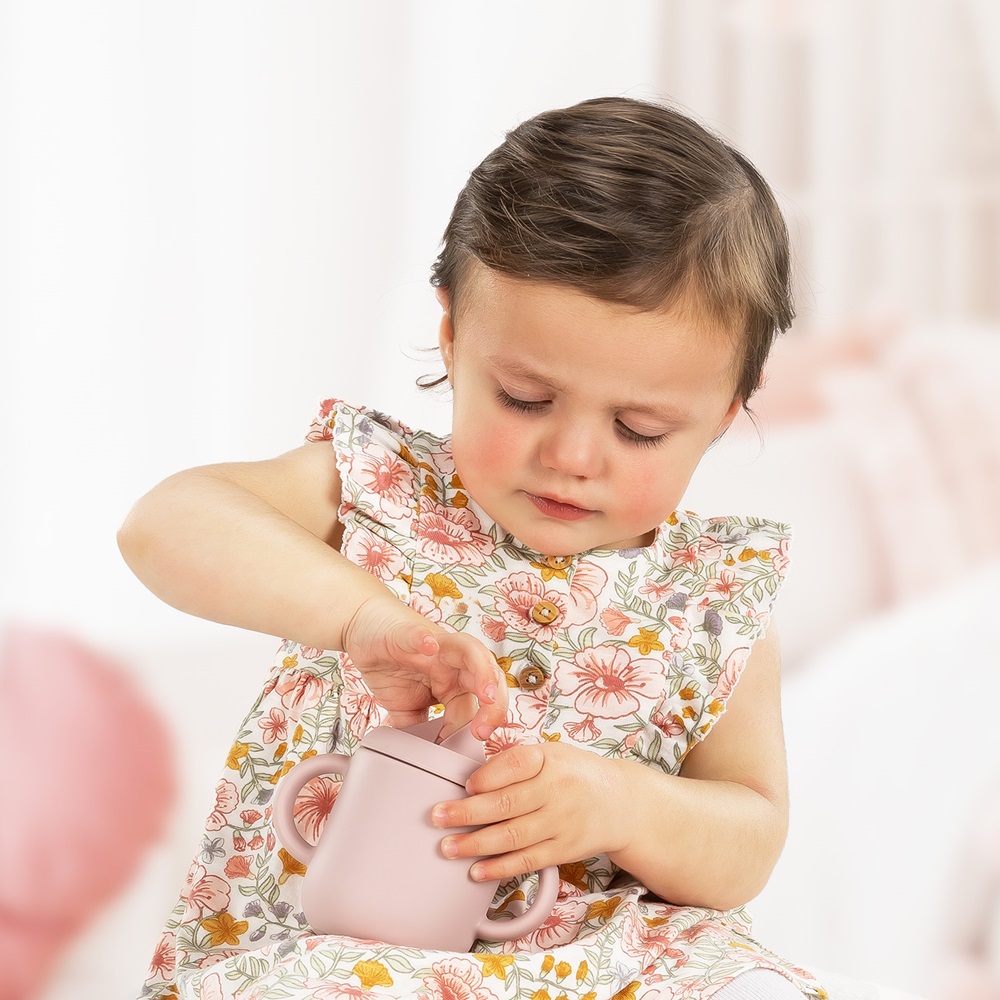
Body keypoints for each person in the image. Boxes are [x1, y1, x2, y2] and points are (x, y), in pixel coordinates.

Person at [120, 96, 824, 1000]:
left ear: (726, 411)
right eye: (526, 398)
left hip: (603, 965)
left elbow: (749, 838)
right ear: (453, 337)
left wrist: (626, 803)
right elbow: (164, 524)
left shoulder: (713, 594)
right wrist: (362, 617)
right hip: (349, 950)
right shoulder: (377, 488)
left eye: (640, 428)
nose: (571, 458)